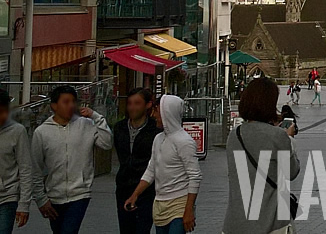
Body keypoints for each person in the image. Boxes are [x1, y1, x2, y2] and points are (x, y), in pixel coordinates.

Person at [32, 85, 113, 234]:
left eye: (73, 102)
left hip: (79, 193)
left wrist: (95, 116)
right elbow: (35, 168)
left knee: (69, 230)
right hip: (54, 194)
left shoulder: (86, 125)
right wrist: (40, 199)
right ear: (54, 106)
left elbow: (107, 143)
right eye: (66, 102)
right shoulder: (42, 132)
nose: (70, 106)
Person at [223, 78, 299, 234]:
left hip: (236, 223)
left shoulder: (234, 135)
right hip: (271, 224)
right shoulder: (278, 137)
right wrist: (289, 138)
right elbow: (292, 172)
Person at [124, 95, 202, 234]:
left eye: (157, 111)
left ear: (167, 113)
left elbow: (195, 176)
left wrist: (189, 210)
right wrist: (135, 195)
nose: (153, 115)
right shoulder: (158, 139)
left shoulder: (184, 142)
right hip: (160, 203)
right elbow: (151, 170)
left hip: (179, 203)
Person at [113, 88, 161, 234]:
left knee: (142, 229)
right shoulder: (120, 128)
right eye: (130, 103)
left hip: (146, 190)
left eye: (137, 103)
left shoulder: (155, 130)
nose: (132, 107)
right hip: (123, 187)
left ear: (148, 105)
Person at [0, 88, 32, 234]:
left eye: (6, 111)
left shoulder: (17, 131)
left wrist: (24, 205)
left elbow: (25, 168)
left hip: (7, 196)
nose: (4, 116)